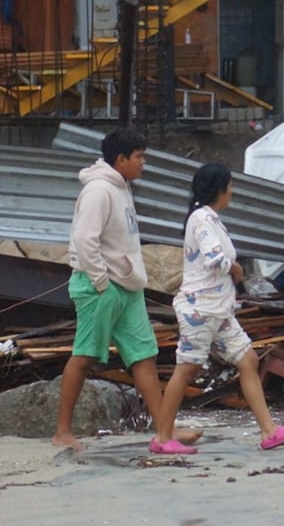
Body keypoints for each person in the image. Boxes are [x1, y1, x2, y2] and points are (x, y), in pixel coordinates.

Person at [53, 127, 202, 452]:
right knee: (85, 355)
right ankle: (62, 431)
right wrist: (102, 283)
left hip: (128, 286)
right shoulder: (98, 191)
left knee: (144, 355)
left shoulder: (122, 188)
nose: (143, 163)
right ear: (120, 159)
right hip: (101, 287)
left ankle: (165, 429)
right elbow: (84, 240)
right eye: (139, 157)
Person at [153, 162, 284, 453]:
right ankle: (162, 437)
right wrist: (235, 269)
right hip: (201, 309)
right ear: (220, 189)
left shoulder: (208, 218)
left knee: (248, 360)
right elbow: (216, 259)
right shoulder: (202, 220)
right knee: (187, 368)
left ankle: (269, 430)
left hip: (219, 310)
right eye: (230, 185)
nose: (232, 191)